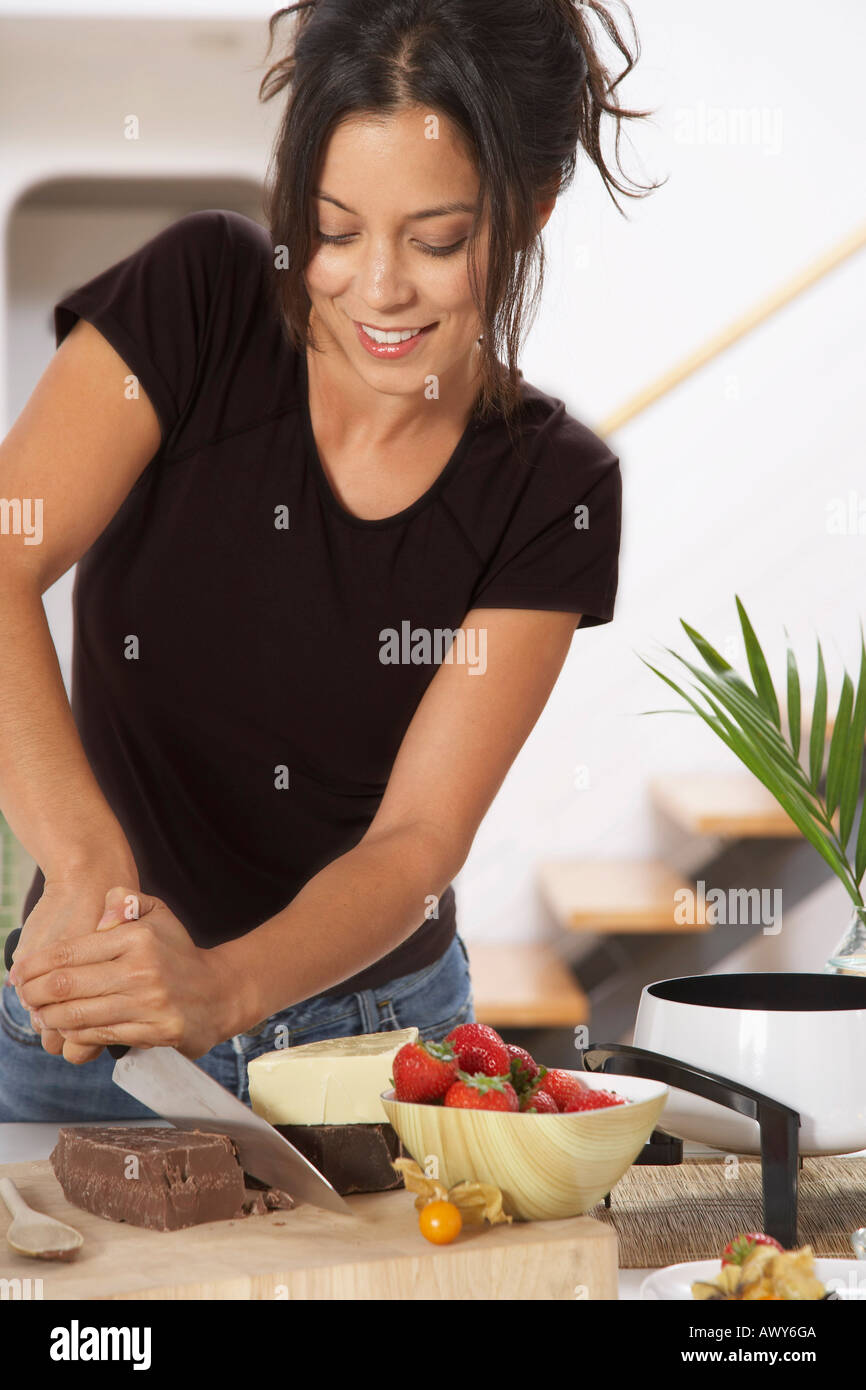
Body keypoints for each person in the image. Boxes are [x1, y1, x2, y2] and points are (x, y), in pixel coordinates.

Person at [0, 0, 657, 1121]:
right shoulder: (195, 298)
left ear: (532, 210)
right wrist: (87, 866)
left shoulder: (553, 490)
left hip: (379, 1047)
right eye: (334, 229)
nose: (378, 289)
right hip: (89, 1019)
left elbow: (414, 845)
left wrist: (221, 989)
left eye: (437, 239)